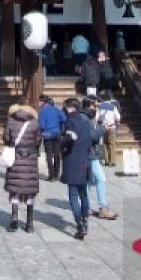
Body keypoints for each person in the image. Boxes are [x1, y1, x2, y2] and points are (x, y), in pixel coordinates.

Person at [2, 99, 41, 233]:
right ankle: (29, 223)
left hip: (16, 156)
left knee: (15, 188)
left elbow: (6, 138)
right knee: (29, 190)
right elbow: (38, 140)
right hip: (30, 158)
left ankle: (14, 219)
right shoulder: (34, 122)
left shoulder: (11, 121)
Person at [60, 96, 95, 239]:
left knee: (73, 195)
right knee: (84, 193)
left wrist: (61, 145)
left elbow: (68, 140)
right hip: (85, 160)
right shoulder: (86, 122)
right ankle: (85, 219)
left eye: (65, 107)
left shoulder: (69, 122)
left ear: (70, 108)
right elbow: (92, 139)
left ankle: (79, 222)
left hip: (72, 161)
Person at [83, 97, 118, 220]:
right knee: (101, 178)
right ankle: (103, 207)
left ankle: (86, 207)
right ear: (89, 105)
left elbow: (111, 107)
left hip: (87, 153)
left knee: (88, 181)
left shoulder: (87, 117)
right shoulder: (86, 119)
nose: (96, 108)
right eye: (94, 106)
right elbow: (92, 136)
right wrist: (103, 129)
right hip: (90, 154)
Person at [37, 95, 66, 182]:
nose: (39, 103)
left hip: (47, 135)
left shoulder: (42, 112)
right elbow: (64, 118)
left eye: (40, 101)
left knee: (49, 155)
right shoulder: (56, 109)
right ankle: (57, 175)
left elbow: (41, 125)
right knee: (57, 154)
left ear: (43, 102)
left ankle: (51, 175)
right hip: (57, 133)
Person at [98, 90, 120, 167]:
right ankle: (112, 161)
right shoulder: (112, 107)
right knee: (112, 144)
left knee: (105, 144)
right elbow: (118, 117)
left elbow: (98, 118)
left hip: (103, 127)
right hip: (112, 127)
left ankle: (106, 160)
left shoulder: (100, 107)